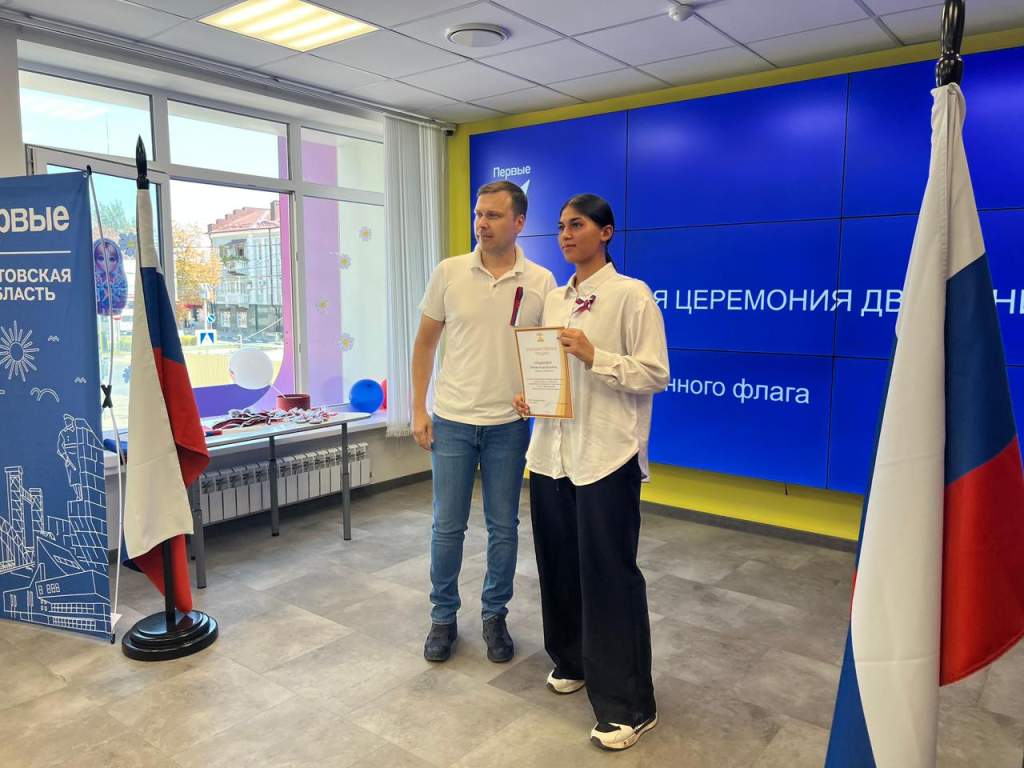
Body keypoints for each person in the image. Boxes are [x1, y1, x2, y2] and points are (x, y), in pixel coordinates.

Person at [513, 193, 669, 751]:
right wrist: (532, 397)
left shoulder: (632, 295)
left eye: (576, 225)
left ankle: (631, 705)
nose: (565, 234)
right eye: (560, 226)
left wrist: (594, 355)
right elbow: (550, 373)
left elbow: (654, 374)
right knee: (558, 566)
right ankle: (573, 659)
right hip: (551, 454)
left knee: (609, 576)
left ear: (605, 232)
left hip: (606, 455)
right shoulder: (555, 299)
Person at [412, 180, 556, 663]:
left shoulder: (541, 281)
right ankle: (443, 618)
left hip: (509, 426)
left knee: (503, 527)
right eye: (479, 214)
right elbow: (425, 344)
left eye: (493, 215)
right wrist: (418, 409)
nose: (482, 223)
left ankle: (495, 616)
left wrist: (538, 396)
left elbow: (546, 353)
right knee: (447, 526)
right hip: (452, 420)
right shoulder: (449, 272)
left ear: (519, 222)